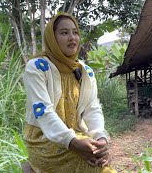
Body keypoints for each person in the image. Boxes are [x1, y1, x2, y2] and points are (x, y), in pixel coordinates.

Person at [22, 12, 116, 172]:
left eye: (75, 32)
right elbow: (43, 111)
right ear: (52, 38)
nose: (72, 38)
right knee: (95, 167)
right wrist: (72, 142)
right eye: (64, 33)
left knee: (98, 159)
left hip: (77, 135)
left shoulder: (85, 71)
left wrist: (101, 138)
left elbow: (93, 109)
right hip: (44, 139)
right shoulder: (37, 67)